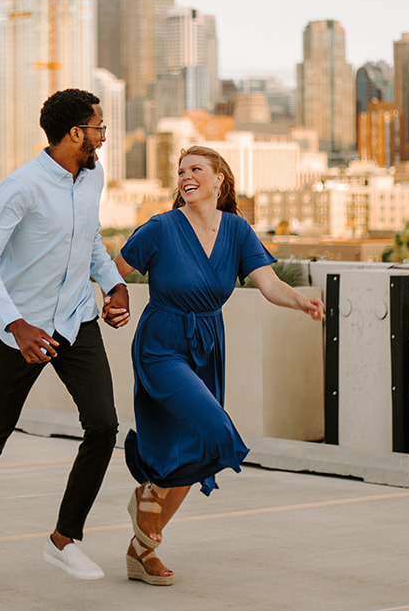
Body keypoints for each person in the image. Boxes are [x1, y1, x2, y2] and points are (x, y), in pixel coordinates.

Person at [0, 88, 133, 599]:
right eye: (99, 127)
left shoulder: (92, 177)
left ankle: (64, 538)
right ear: (76, 133)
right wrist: (14, 325)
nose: (104, 137)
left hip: (75, 320)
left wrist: (113, 283)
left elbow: (88, 239)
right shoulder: (20, 187)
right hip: (22, 330)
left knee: (104, 426)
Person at [111, 144, 321, 586]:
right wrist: (115, 299)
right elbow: (115, 270)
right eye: (181, 170)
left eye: (196, 169)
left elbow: (269, 283)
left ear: (219, 178)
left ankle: (141, 551)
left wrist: (301, 302)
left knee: (196, 447)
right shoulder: (161, 228)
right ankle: (147, 494)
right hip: (162, 343)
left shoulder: (238, 232)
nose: (186, 176)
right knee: (214, 429)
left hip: (207, 344)